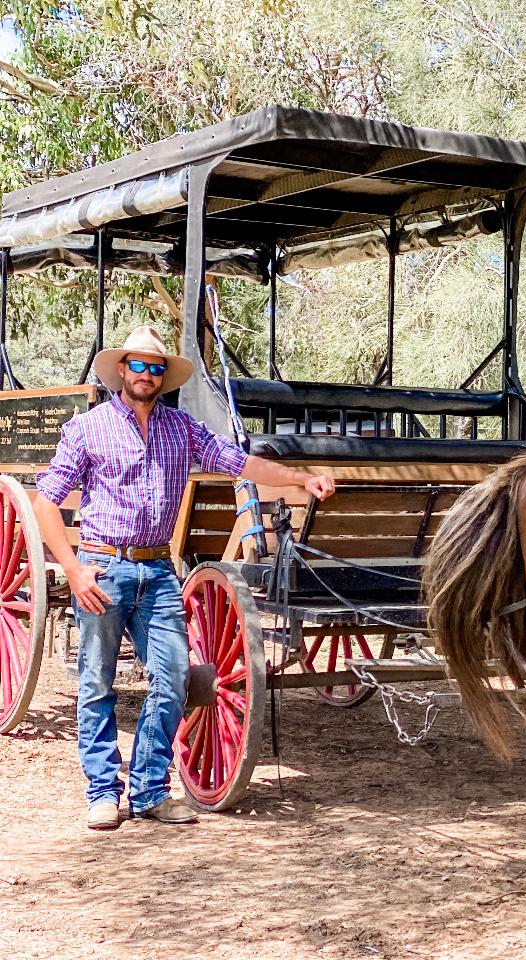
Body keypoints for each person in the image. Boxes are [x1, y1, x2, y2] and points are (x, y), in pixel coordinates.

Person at [32, 326, 336, 831]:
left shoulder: (182, 429)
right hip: (104, 567)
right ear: (121, 371)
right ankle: (103, 792)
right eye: (138, 365)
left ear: (163, 378)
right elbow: (46, 503)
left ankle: (150, 790)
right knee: (96, 682)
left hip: (157, 568)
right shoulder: (86, 430)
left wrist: (302, 478)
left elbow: (241, 462)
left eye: (156, 368)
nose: (146, 375)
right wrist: (73, 568)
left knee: (173, 679)